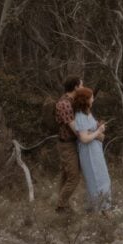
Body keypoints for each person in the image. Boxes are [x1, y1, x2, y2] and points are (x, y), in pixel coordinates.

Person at [72, 86, 111, 210]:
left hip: (95, 150)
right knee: (95, 178)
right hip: (88, 152)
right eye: (91, 97)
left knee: (102, 176)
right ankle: (99, 208)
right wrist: (98, 130)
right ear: (85, 100)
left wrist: (98, 127)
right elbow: (84, 138)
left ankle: (104, 206)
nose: (93, 99)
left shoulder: (87, 113)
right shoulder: (80, 116)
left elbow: (91, 131)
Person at [54, 75, 84, 211]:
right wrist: (90, 134)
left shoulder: (72, 101)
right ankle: (61, 205)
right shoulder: (64, 104)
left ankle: (62, 204)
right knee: (74, 177)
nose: (83, 88)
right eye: (82, 85)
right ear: (76, 87)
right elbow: (75, 128)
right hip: (67, 144)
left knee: (66, 175)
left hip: (72, 143)